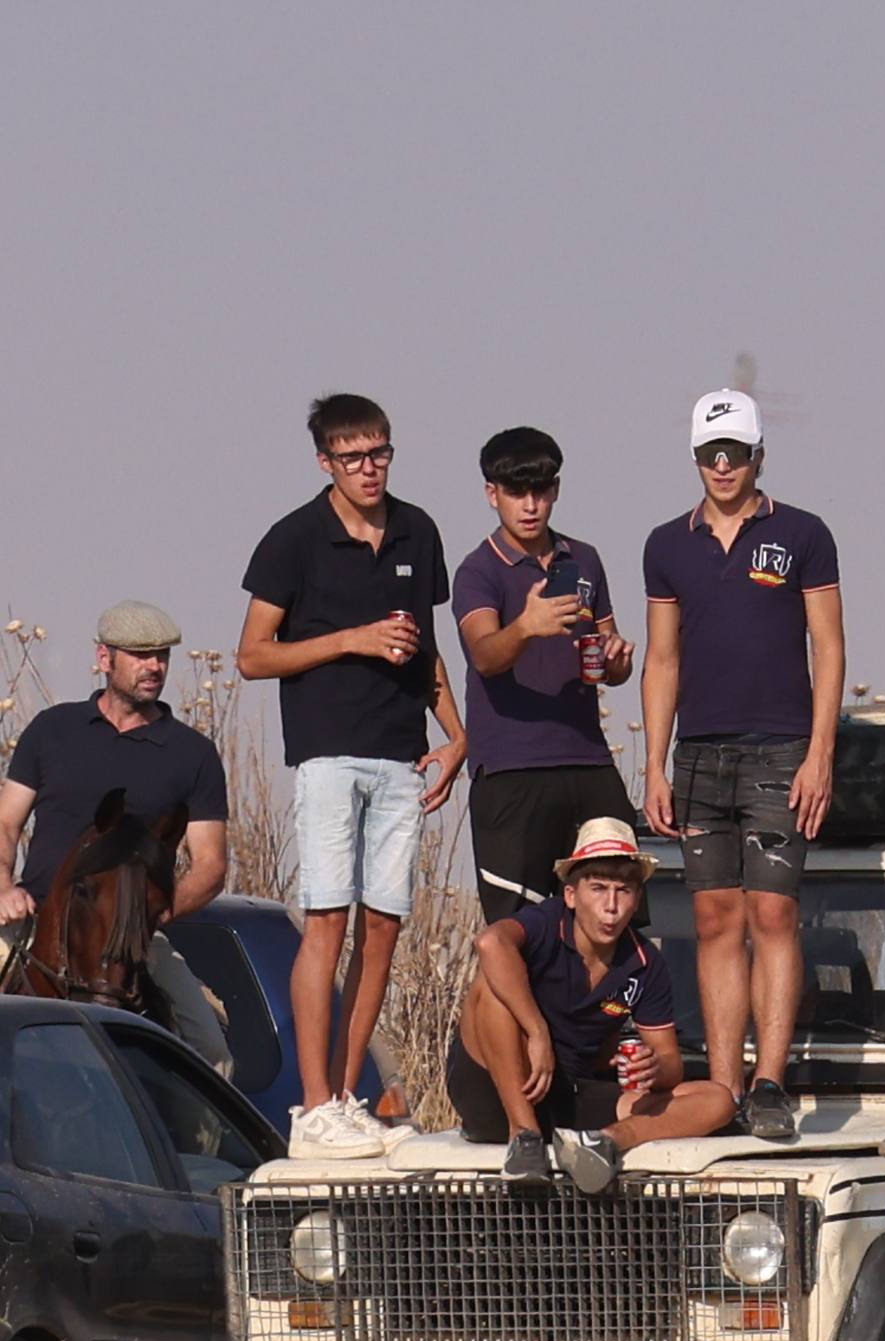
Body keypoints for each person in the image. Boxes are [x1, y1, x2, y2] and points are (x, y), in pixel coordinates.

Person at [239, 393, 467, 1160]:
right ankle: (311, 1109)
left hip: (401, 752)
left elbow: (426, 646)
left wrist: (455, 736)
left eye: (380, 454)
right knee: (327, 921)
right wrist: (350, 640)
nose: (370, 470)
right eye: (353, 458)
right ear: (325, 463)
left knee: (385, 926)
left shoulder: (418, 530)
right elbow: (252, 655)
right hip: (328, 752)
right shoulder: (293, 539)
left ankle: (344, 1095)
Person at [640, 389, 845, 1143]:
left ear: (759, 455)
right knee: (712, 919)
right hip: (699, 754)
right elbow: (661, 659)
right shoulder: (666, 544)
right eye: (708, 454)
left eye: (734, 453)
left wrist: (820, 754)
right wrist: (654, 765)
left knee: (773, 914)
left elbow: (827, 646)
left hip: (780, 749)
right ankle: (722, 1089)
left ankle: (768, 1085)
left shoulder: (801, 534)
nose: (721, 467)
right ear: (694, 458)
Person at [0, 601, 232, 1068]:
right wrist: (4, 885)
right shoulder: (52, 729)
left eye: (162, 656)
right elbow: (6, 821)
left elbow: (210, 865)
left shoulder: (193, 754)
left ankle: (188, 1145)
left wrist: (152, 916)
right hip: (32, 917)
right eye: (141, 655)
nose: (155, 667)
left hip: (132, 934)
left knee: (211, 1054)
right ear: (105, 658)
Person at [447, 818, 733, 1190]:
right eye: (598, 888)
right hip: (496, 1089)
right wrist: (538, 1034)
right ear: (570, 895)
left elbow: (670, 1063)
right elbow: (489, 943)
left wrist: (653, 1068)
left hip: (569, 1091)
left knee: (718, 1099)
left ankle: (606, 1144)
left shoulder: (645, 962)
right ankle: (524, 1138)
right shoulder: (546, 922)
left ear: (637, 899)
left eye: (624, 890)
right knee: (493, 984)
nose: (611, 907)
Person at [452, 428, 637, 922]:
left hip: (587, 761)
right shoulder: (478, 571)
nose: (530, 505)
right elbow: (485, 655)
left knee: (614, 919)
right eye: (516, 492)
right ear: (492, 494)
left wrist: (618, 661)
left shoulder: (585, 559)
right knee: (518, 933)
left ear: (556, 489)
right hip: (513, 770)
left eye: (541, 490)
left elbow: (606, 653)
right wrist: (527, 628)